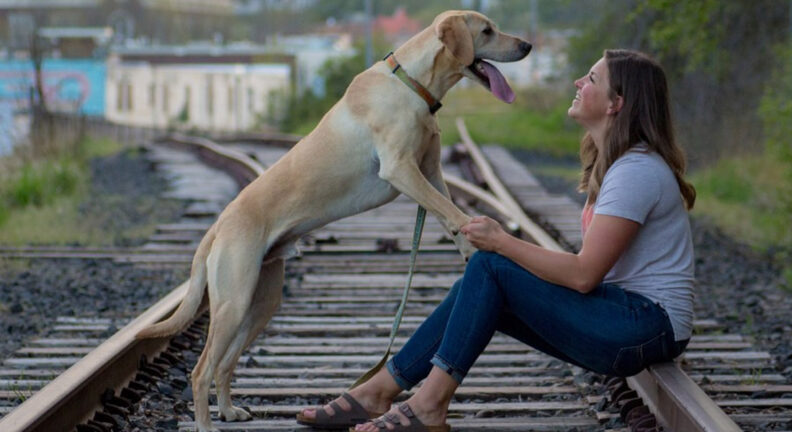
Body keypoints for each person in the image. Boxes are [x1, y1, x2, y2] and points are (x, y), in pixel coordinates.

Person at [297, 48, 697, 432]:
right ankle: (380, 391)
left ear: (616, 103)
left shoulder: (636, 172)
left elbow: (584, 275)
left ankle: (427, 405)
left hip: (646, 327)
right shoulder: (619, 164)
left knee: (490, 266)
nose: (579, 81)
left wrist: (502, 242)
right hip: (628, 317)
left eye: (592, 78)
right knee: (484, 282)